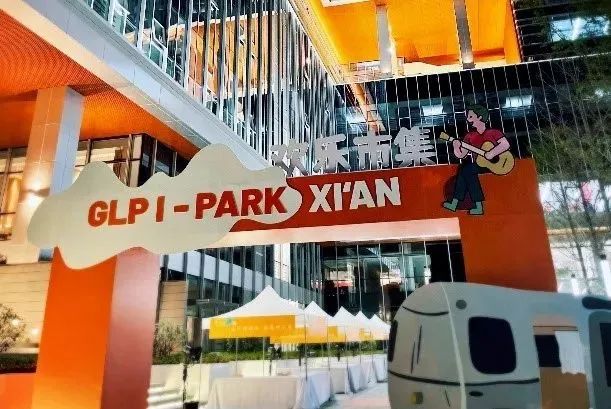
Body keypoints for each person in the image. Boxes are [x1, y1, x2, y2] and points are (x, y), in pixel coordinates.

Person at [442, 104, 511, 215]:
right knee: (464, 169)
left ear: (480, 117)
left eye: (470, 117)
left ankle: (464, 204)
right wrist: (455, 146)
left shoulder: (493, 133)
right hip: (479, 165)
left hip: (496, 164)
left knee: (466, 170)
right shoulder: (470, 136)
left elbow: (505, 144)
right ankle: (464, 204)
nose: (468, 120)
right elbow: (461, 155)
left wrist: (492, 153)